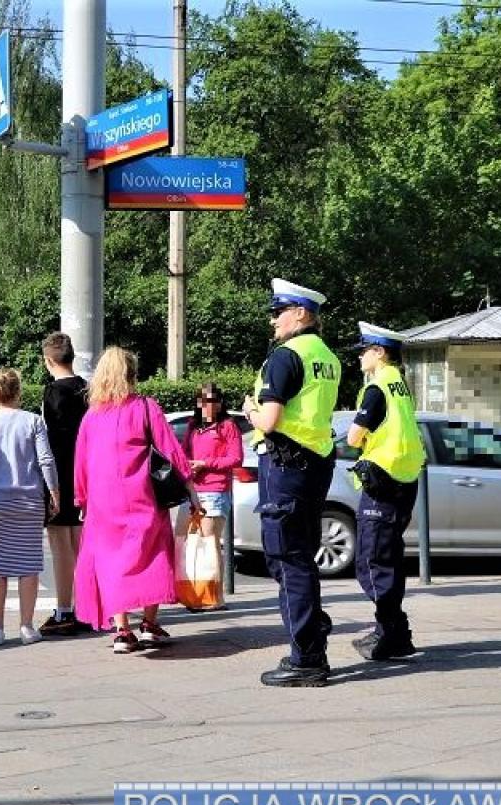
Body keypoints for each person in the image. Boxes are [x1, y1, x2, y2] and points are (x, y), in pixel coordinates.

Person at [242, 278, 341, 687]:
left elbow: (269, 420)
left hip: (285, 465)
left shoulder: (286, 355)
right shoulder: (327, 356)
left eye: (278, 313)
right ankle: (313, 627)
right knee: (298, 553)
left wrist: (250, 410)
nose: (273, 322)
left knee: (287, 558)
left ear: (300, 313)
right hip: (314, 463)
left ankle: (307, 657)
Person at [73, 346, 201, 654]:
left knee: (111, 563)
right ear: (132, 374)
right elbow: (170, 450)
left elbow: (82, 461)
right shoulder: (145, 407)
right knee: (153, 554)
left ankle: (122, 630)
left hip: (103, 503)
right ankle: (149, 624)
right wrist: (191, 489)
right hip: (142, 496)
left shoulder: (92, 416)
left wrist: (82, 500)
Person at [346, 322, 426, 661]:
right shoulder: (400, 384)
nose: (360, 357)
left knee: (372, 561)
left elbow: (353, 437)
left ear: (379, 353)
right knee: (388, 559)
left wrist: (362, 441)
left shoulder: (378, 387)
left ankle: (393, 631)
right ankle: (391, 630)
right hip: (404, 480)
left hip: (383, 480)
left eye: (364, 350)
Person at [0, 368, 60, 646]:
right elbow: (46, 460)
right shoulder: (33, 422)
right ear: (18, 391)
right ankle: (27, 627)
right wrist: (54, 492)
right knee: (28, 565)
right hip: (29, 501)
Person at [37, 332, 91, 637]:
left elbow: (49, 441)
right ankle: (86, 607)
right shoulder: (87, 389)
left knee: (60, 546)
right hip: (86, 474)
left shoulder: (52, 393)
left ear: (48, 360)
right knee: (81, 545)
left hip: (60, 474)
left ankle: (64, 609)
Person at [180, 381, 244, 610]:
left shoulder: (227, 426)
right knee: (191, 543)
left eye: (212, 401)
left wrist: (206, 463)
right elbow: (184, 452)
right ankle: (198, 594)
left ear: (219, 403)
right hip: (193, 490)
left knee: (210, 543)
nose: (208, 406)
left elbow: (236, 459)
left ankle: (215, 597)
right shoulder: (192, 426)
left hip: (215, 490)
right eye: (203, 401)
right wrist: (188, 465)